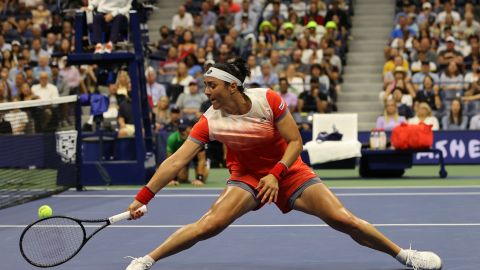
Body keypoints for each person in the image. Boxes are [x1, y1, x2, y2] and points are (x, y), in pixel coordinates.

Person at [125, 58, 442, 270]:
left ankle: (405, 256)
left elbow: (295, 143)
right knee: (209, 225)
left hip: (288, 171)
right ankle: (144, 262)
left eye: (212, 86)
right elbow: (177, 159)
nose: (206, 93)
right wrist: (143, 197)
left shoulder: (268, 101)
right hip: (247, 177)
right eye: (205, 86)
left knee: (343, 219)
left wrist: (277, 174)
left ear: (232, 86)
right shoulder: (210, 120)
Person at [166, 118, 208, 187]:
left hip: (196, 156)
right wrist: (172, 179)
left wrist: (199, 179)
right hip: (182, 158)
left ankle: (204, 170)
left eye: (184, 129)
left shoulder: (199, 137)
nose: (182, 132)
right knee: (182, 178)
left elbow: (201, 159)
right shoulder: (172, 138)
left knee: (204, 177)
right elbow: (169, 160)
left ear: (191, 128)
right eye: (180, 129)